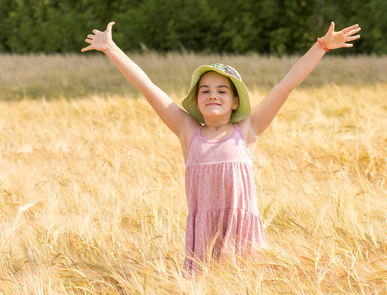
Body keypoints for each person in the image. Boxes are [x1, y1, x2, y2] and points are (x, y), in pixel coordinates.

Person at [81, 21, 361, 276]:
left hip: (243, 236)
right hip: (203, 238)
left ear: (235, 102)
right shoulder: (187, 131)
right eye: (205, 90)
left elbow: (285, 86)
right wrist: (110, 48)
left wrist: (321, 46)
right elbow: (148, 87)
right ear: (196, 100)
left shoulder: (248, 131)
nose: (213, 94)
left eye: (222, 90)